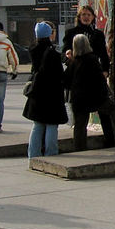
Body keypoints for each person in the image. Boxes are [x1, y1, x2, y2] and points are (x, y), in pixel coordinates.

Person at [63, 33, 115, 150]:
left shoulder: (73, 63)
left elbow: (66, 81)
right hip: (95, 98)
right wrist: (104, 95)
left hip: (78, 100)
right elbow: (99, 80)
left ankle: (79, 148)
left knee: (80, 125)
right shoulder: (92, 59)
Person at [22, 22, 67, 158]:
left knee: (38, 125)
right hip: (51, 93)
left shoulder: (33, 49)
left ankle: (33, 154)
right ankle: (51, 154)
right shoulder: (51, 53)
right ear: (49, 34)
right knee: (52, 125)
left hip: (37, 92)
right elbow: (59, 75)